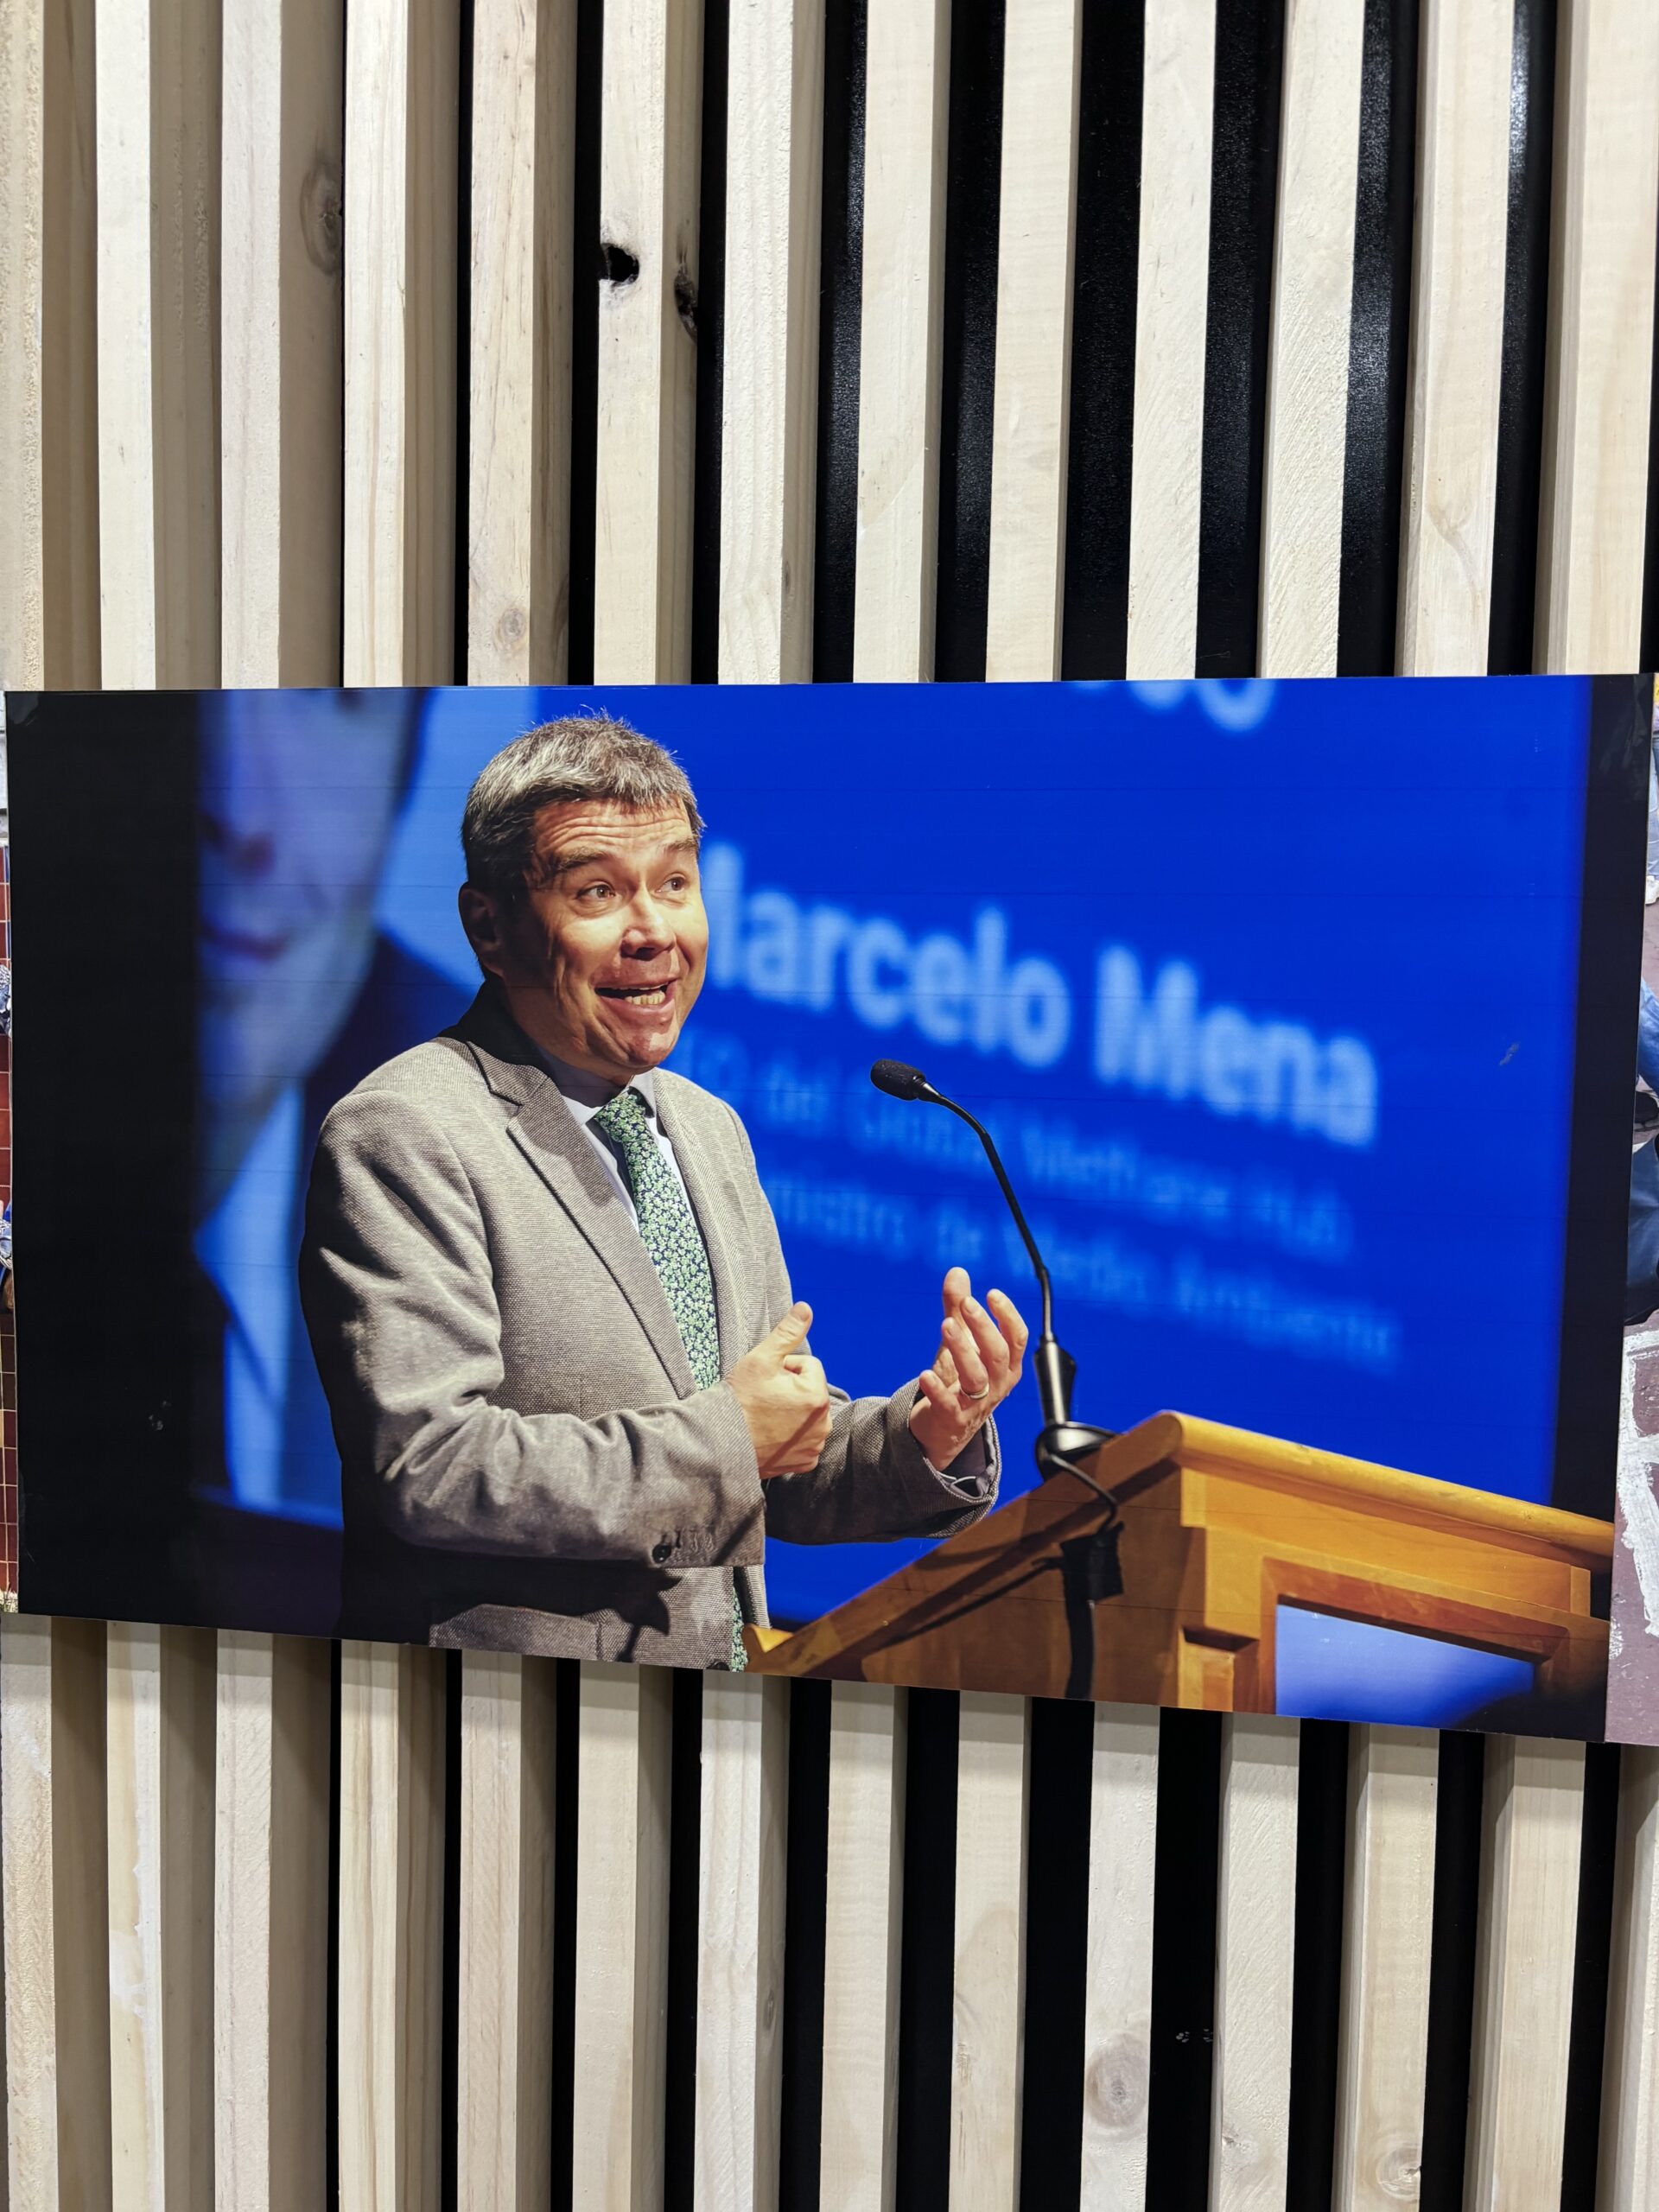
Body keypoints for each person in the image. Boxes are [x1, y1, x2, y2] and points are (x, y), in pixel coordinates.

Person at [300, 715, 1027, 1667]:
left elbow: (769, 1464)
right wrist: (731, 1436)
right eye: (597, 891)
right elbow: (431, 1466)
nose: (653, 932)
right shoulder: (408, 1128)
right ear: (490, 928)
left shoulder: (706, 1128)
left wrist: (924, 1437)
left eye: (676, 883)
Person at [194, 690, 467, 1525]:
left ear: (405, 771)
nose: (242, 814)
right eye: (199, 706)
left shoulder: (495, 1115)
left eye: (327, 701)